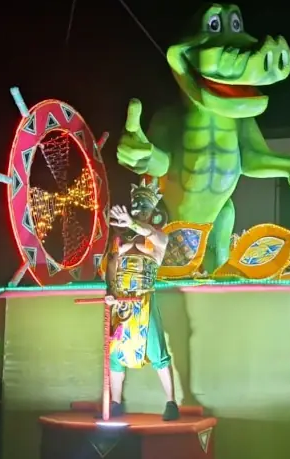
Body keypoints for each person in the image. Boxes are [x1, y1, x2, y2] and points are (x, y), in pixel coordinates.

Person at [103, 178, 178, 421]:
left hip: (144, 302)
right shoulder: (120, 241)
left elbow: (147, 233)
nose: (137, 212)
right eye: (135, 208)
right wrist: (111, 292)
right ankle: (115, 402)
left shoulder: (158, 239)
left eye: (143, 208)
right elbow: (112, 264)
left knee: (157, 351)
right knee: (114, 353)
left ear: (152, 212)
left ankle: (171, 402)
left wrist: (132, 223)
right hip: (122, 303)